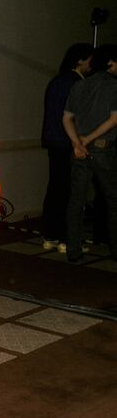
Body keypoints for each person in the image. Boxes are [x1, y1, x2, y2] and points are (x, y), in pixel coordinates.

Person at [63, 44, 117, 262]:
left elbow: (66, 119)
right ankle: (115, 250)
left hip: (80, 152)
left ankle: (73, 250)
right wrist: (89, 138)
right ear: (111, 63)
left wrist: (78, 143)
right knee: (113, 200)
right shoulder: (113, 86)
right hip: (103, 149)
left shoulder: (80, 86)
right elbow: (114, 119)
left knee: (76, 201)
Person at [41, 43, 93, 252]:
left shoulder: (57, 81)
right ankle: (66, 239)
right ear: (80, 60)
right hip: (68, 141)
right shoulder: (76, 83)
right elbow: (74, 117)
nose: (91, 65)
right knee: (71, 192)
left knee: (55, 188)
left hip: (53, 141)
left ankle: (50, 236)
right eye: (90, 60)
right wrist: (79, 142)